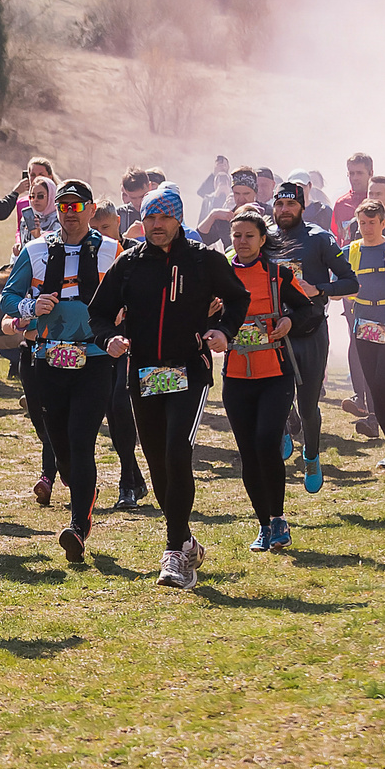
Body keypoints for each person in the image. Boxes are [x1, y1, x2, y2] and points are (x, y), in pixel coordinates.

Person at [86, 185, 246, 589]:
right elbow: (99, 313)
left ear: (179, 219)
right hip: (144, 373)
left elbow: (237, 297)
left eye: (165, 218)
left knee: (178, 451)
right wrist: (110, 340)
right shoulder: (130, 263)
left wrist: (223, 330)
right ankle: (187, 539)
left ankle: (174, 553)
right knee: (157, 462)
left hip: (189, 368)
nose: (157, 226)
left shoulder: (204, 259)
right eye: (150, 218)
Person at [0, 180, 118, 565]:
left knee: (81, 440)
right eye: (63, 205)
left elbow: (129, 296)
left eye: (77, 205)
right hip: (45, 359)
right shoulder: (35, 250)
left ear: (91, 208)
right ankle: (74, 480)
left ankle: (78, 526)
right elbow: (7, 298)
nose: (69, 211)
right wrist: (32, 305)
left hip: (93, 358)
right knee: (57, 442)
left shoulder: (111, 251)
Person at [219, 210, 309, 549]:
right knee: (248, 452)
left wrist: (288, 322)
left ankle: (278, 518)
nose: (242, 242)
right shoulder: (222, 275)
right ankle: (263, 524)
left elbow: (306, 308)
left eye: (249, 236)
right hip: (237, 375)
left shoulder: (278, 274)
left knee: (266, 442)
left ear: (262, 239)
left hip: (275, 372)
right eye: (236, 236)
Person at [267, 180, 354, 494]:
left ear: (301, 207)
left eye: (290, 204)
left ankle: (312, 455)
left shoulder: (319, 239)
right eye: (279, 204)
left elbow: (350, 282)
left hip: (311, 331)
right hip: (274, 332)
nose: (284, 210)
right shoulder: (264, 239)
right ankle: (284, 429)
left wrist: (321, 290)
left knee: (307, 406)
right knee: (274, 397)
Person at [339, 200, 385, 453]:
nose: (367, 228)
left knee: (381, 381)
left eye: (372, 223)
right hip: (362, 321)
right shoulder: (349, 251)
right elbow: (337, 285)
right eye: (362, 223)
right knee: (373, 384)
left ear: (383, 224)